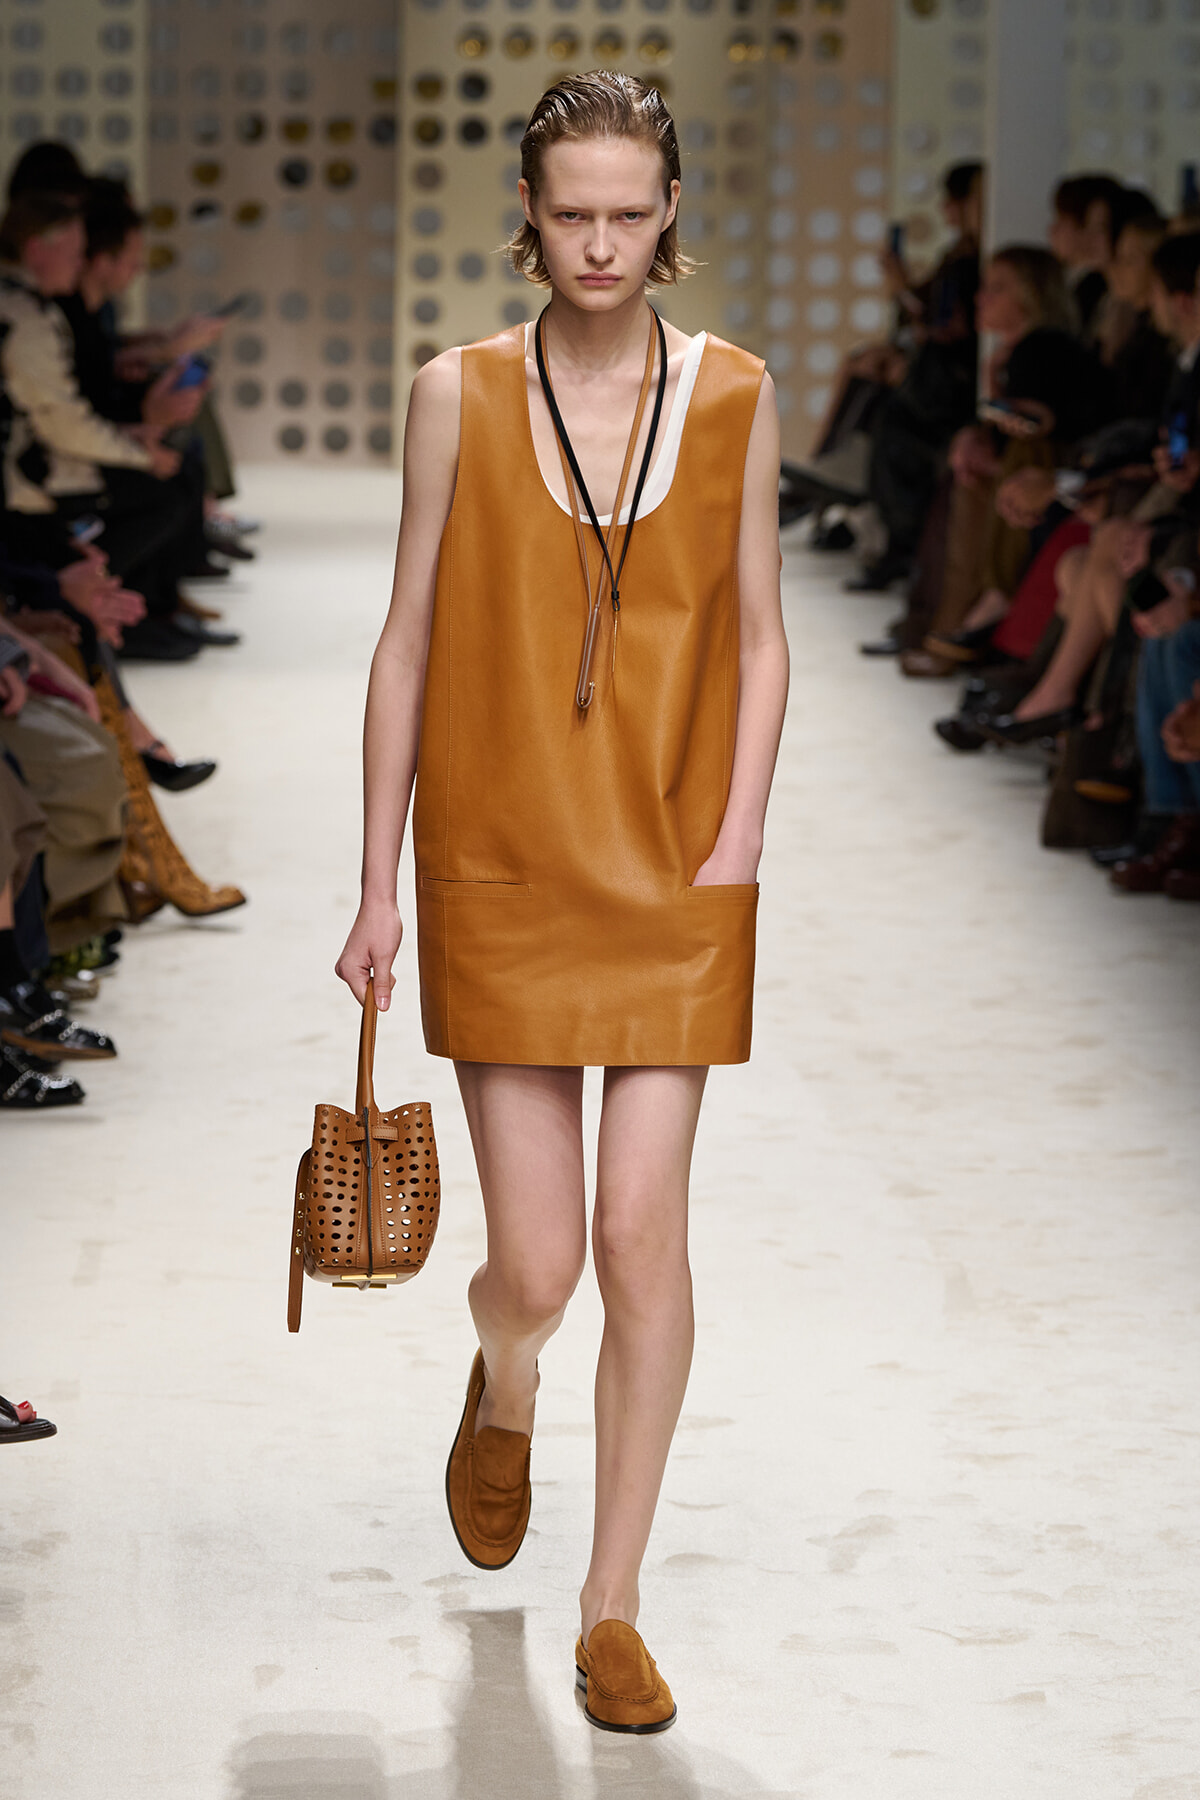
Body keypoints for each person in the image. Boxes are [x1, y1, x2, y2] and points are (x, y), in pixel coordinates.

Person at [335, 71, 788, 1736]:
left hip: (676, 867)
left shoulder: (735, 393)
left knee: (636, 1234)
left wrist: (738, 839)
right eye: (570, 211)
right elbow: (403, 640)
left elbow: (756, 635)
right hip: (503, 861)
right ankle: (505, 1381)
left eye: (627, 211)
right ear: (526, 213)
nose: (598, 243)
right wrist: (376, 880)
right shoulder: (451, 393)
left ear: (671, 216)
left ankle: (613, 1607)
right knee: (531, 1265)